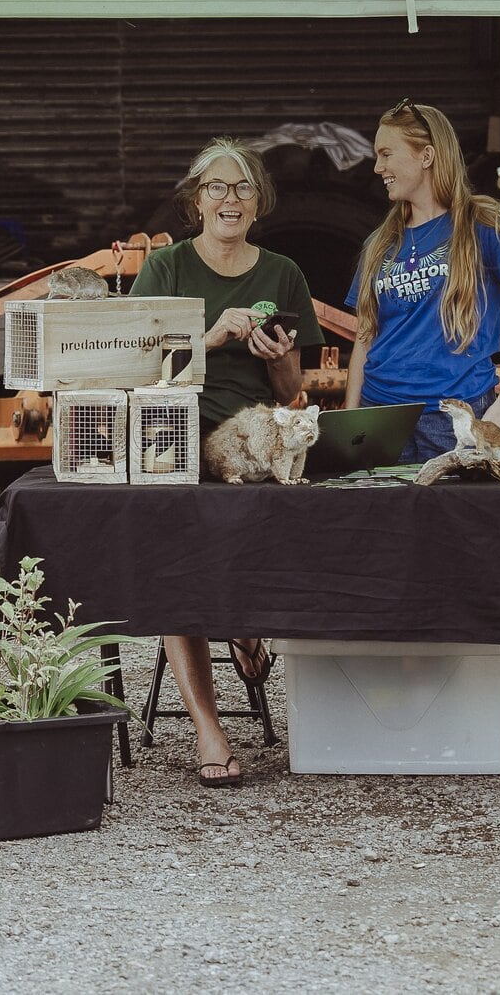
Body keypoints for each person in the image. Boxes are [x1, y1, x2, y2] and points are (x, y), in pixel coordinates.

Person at [342, 100, 500, 760]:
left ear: (426, 154)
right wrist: (347, 427)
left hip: (457, 426)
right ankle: (407, 711)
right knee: (386, 567)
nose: (377, 166)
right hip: (383, 425)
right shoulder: (381, 244)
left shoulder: (485, 224)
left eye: (385, 152)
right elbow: (363, 344)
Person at [130, 138, 323, 786]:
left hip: (256, 440)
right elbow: (136, 372)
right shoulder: (166, 270)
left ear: (258, 200)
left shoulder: (284, 273)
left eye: (242, 187)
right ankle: (210, 731)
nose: (230, 199)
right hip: (175, 437)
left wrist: (277, 358)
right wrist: (208, 338)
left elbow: (292, 390)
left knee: (293, 518)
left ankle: (245, 617)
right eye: (216, 186)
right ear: (195, 198)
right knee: (173, 561)